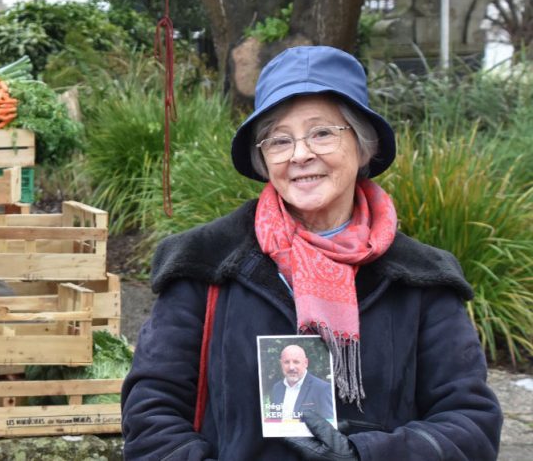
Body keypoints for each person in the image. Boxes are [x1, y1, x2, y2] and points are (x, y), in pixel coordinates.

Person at [121, 46, 502, 460]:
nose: (300, 154)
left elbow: (470, 423)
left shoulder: (420, 278)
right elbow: (151, 412)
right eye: (280, 140)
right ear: (264, 159)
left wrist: (366, 455)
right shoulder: (205, 265)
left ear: (363, 146)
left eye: (322, 133)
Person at [269, 344, 334, 422]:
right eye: (286, 362)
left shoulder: (322, 389)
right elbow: (273, 421)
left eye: (296, 362)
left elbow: (329, 427)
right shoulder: (276, 388)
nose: (291, 367)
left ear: (306, 363)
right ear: (281, 364)